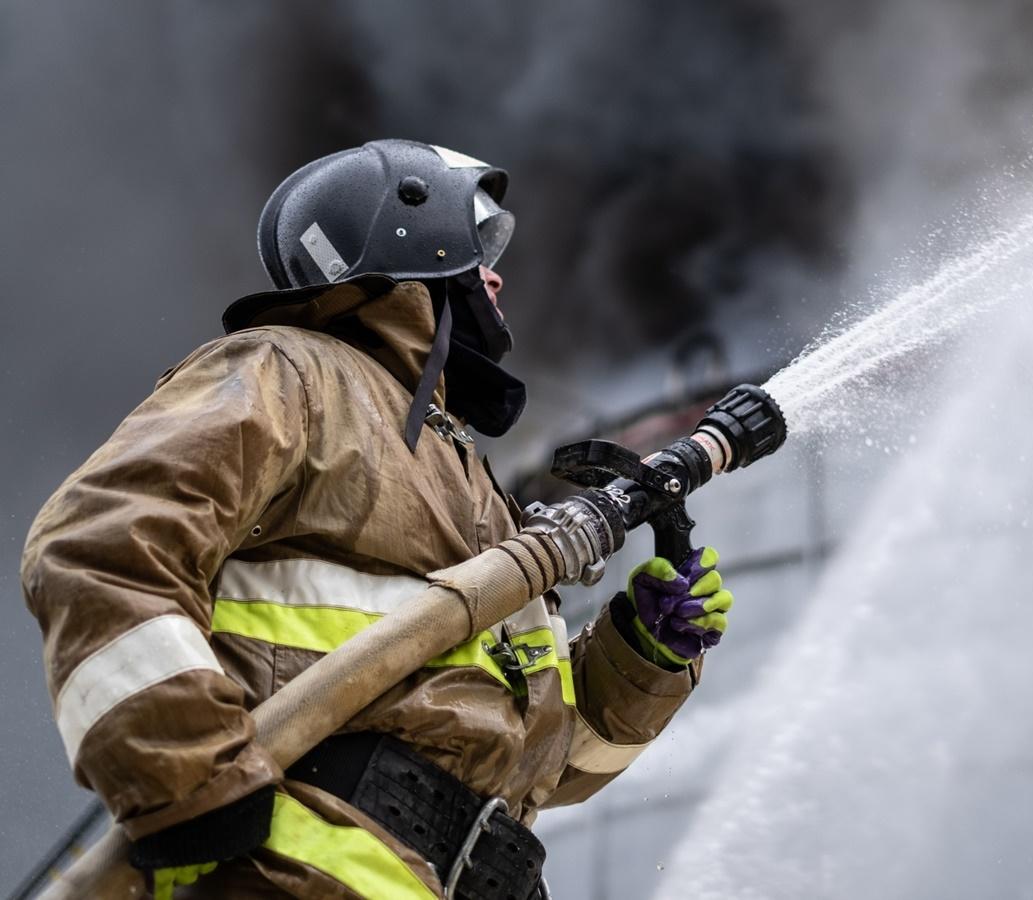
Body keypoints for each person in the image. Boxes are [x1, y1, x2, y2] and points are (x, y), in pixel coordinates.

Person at [21, 140, 734, 899]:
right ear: (408, 238)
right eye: (477, 242)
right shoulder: (290, 371)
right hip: (292, 877)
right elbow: (100, 545)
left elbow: (542, 768)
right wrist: (185, 781)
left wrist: (641, 659)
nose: (495, 274)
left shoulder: (470, 481)